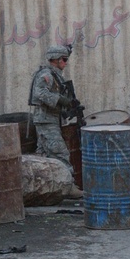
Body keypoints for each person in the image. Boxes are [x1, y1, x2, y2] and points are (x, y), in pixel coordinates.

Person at [30, 44, 84, 198]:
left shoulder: (55, 75)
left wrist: (70, 103)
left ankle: (48, 189)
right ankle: (69, 186)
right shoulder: (46, 75)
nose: (66, 63)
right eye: (64, 59)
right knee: (61, 153)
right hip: (46, 120)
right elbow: (39, 93)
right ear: (55, 60)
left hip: (50, 119)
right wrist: (60, 100)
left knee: (45, 155)